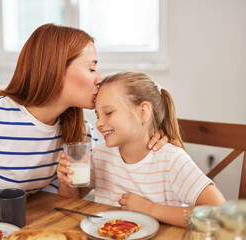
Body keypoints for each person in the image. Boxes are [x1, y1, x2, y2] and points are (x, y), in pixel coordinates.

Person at [0, 24, 168, 234]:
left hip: (14, 230)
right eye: (92, 67)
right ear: (55, 69)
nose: (99, 79)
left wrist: (154, 137)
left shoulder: (77, 130)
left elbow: (67, 196)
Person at [57, 72, 226, 227]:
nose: (99, 123)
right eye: (97, 115)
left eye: (108, 113)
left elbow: (219, 214)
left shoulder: (171, 159)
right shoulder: (101, 154)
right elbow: (73, 200)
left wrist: (151, 209)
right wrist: (67, 182)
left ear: (143, 112)